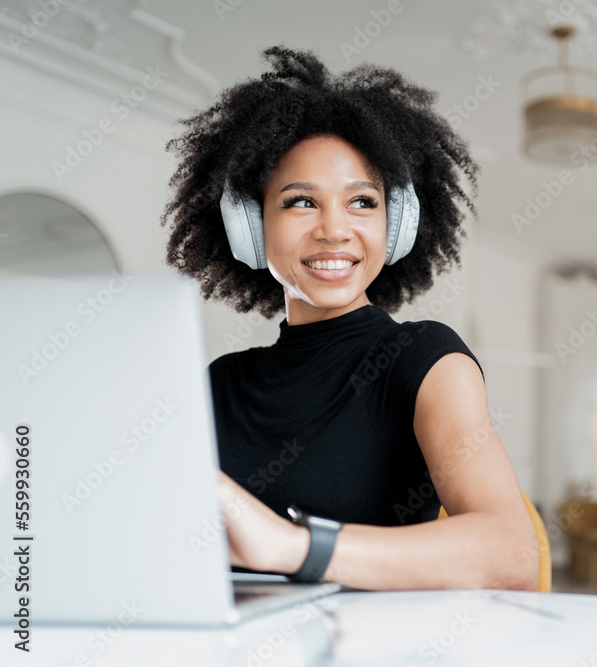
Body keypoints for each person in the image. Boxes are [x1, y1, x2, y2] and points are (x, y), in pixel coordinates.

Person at [160, 45, 538, 592]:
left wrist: (294, 547)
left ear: (398, 224)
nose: (334, 230)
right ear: (249, 227)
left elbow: (513, 553)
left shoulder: (425, 360)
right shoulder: (220, 382)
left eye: (362, 202)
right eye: (300, 202)